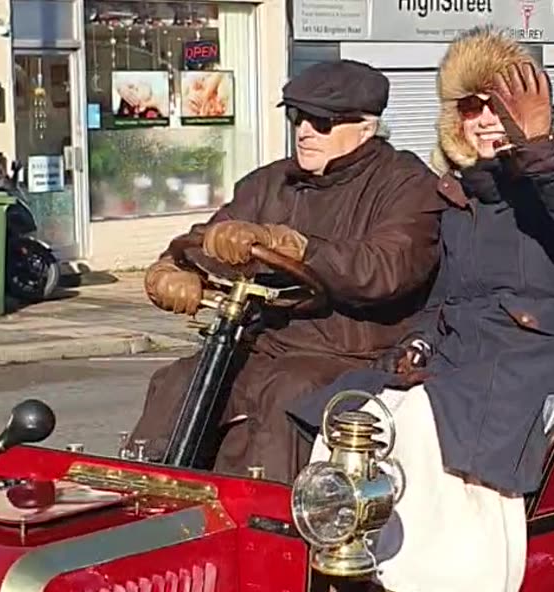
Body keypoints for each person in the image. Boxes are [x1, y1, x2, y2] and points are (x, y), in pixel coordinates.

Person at [289, 26, 554, 592]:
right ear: (453, 120)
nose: (487, 120)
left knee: (436, 416)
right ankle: (348, 560)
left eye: (500, 104)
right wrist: (413, 345)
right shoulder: (459, 195)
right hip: (473, 348)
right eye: (472, 107)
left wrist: (539, 142)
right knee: (360, 407)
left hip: (548, 351)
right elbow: (443, 296)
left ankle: (439, 589)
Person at [129, 60, 445, 481]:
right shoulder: (271, 183)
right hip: (264, 343)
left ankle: (270, 521)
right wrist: (175, 268)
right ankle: (142, 490)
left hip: (352, 355)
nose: (305, 130)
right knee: (179, 380)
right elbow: (212, 237)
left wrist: (302, 249)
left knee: (286, 396)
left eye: (323, 121)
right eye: (298, 116)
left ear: (366, 128)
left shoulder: (406, 184)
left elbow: (388, 266)